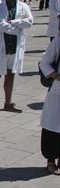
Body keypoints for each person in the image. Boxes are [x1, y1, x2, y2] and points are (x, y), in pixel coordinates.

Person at [39, 36, 60, 175]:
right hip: (58, 91)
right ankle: (50, 160)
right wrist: (56, 76)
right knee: (52, 126)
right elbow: (45, 62)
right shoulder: (59, 40)